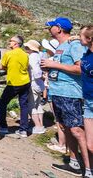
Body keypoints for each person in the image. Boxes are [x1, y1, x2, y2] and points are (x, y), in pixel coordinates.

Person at [41, 17, 89, 176]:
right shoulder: (62, 46)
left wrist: (53, 65)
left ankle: (89, 169)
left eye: (51, 27)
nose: (49, 29)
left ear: (59, 29)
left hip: (70, 93)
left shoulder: (74, 45)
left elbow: (80, 69)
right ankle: (74, 163)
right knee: (66, 128)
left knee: (76, 130)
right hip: (58, 92)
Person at [0, 35, 31, 137]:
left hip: (14, 82)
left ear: (16, 43)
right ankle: (23, 129)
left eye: (11, 41)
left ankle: (3, 127)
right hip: (25, 81)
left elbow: (2, 66)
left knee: (2, 102)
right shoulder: (25, 54)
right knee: (23, 105)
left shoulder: (9, 54)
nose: (9, 43)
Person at [42, 38, 67, 154]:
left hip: (54, 89)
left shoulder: (52, 60)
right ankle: (65, 143)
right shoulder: (59, 60)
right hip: (57, 89)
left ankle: (62, 144)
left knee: (59, 118)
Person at [23, 39, 45, 134]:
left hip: (33, 83)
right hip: (39, 84)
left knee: (31, 105)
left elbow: (36, 71)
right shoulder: (38, 55)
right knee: (38, 104)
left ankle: (38, 126)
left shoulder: (32, 57)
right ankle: (40, 124)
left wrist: (37, 77)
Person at [80, 25, 93, 178]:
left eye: (80, 35)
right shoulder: (87, 52)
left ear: (89, 39)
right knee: (90, 145)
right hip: (88, 101)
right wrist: (77, 38)